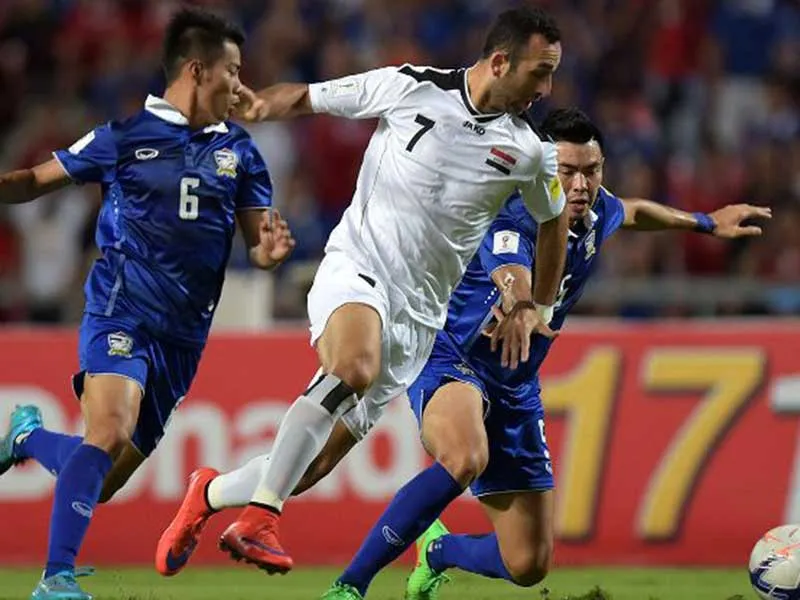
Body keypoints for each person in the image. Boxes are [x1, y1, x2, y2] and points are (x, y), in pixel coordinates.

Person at [161, 5, 571, 575]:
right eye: (539, 72)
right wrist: (258, 107)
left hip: (418, 321)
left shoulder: (529, 151)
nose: (545, 89)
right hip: (359, 268)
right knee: (353, 365)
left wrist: (538, 304)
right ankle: (260, 519)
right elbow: (306, 98)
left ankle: (207, 493)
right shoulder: (410, 87)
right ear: (500, 62)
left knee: (310, 465)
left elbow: (554, 220)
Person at [318, 107, 772, 599]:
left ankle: (437, 552)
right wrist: (524, 302)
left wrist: (706, 222)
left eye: (591, 171)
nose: (580, 185)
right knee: (464, 456)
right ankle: (350, 586)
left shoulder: (597, 212)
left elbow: (633, 211)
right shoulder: (513, 213)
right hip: (451, 357)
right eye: (566, 171)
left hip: (515, 385)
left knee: (528, 563)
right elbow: (509, 266)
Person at [0, 8, 294, 599]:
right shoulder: (124, 137)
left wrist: (270, 252)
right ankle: (55, 580)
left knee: (102, 478)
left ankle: (27, 438)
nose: (241, 86)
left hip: (183, 338)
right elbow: (35, 179)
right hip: (122, 310)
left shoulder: (241, 152)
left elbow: (257, 244)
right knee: (108, 432)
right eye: (232, 71)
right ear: (196, 70)